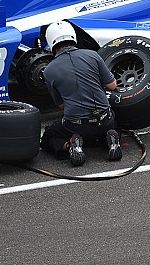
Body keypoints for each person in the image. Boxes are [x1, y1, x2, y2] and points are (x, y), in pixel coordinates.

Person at [39, 20, 122, 166]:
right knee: (114, 123)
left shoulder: (49, 70)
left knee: (48, 137)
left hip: (77, 125)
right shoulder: (93, 55)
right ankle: (111, 139)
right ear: (73, 37)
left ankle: (70, 145)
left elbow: (61, 106)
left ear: (51, 42)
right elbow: (112, 85)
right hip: (104, 120)